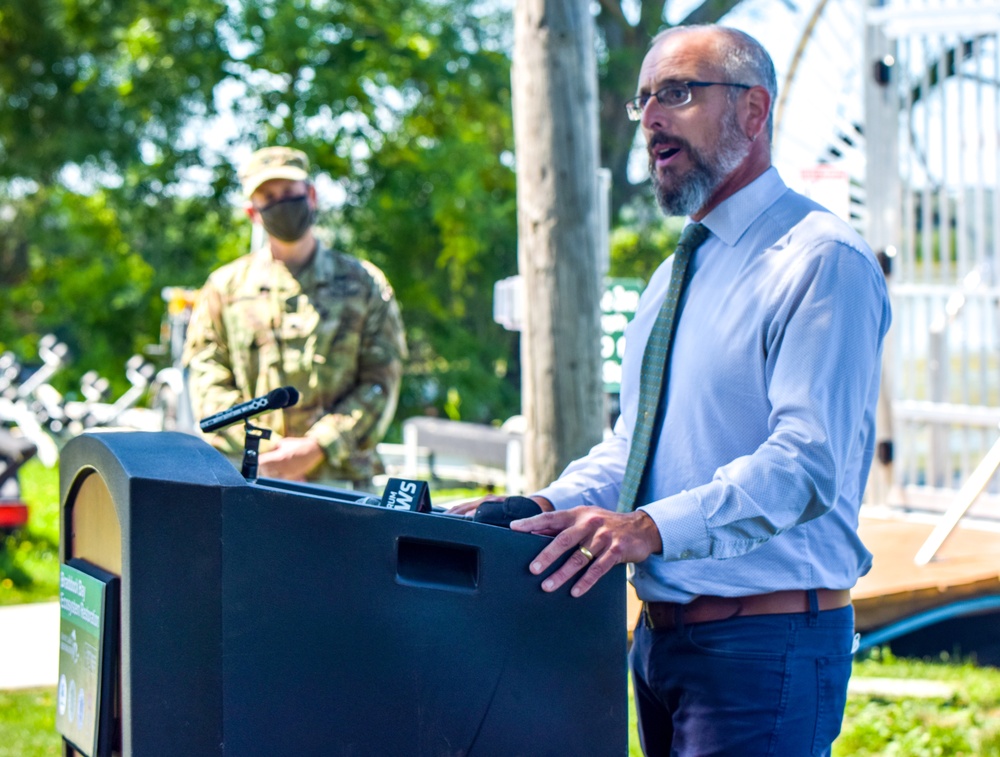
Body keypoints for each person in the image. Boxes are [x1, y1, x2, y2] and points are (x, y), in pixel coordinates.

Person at [452, 24, 890, 756]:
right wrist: (539, 507)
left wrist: (648, 527)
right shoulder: (675, 275)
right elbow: (636, 448)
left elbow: (806, 463)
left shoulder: (820, 261)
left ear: (754, 112)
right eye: (645, 99)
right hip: (659, 645)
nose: (652, 117)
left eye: (679, 93)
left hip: (765, 648)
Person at [184, 146, 406, 488]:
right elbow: (207, 382)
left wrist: (318, 446)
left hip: (340, 484)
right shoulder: (223, 289)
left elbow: (381, 381)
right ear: (252, 212)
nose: (281, 203)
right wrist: (272, 450)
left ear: (311, 195)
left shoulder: (364, 284)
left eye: (289, 193)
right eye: (268, 196)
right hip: (250, 479)